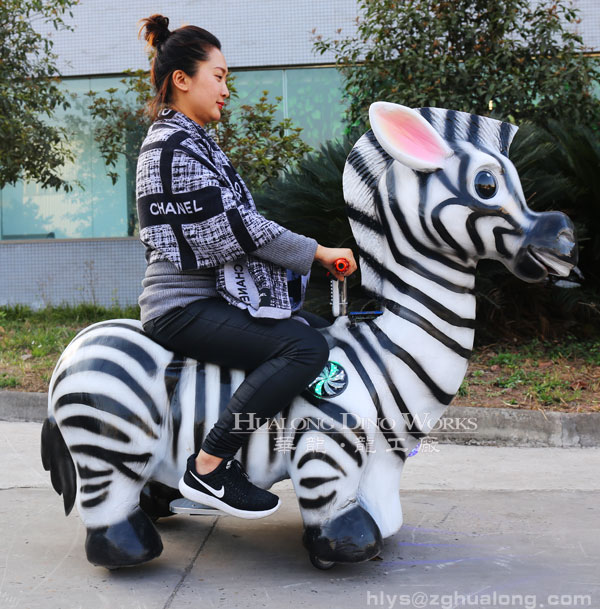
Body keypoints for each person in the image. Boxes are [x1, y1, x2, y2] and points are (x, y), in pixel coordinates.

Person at [136, 15, 357, 519]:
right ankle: (209, 466)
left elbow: (240, 224)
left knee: (315, 329)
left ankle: (311, 454)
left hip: (208, 300)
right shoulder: (171, 148)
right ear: (182, 79)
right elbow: (234, 231)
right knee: (302, 347)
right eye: (219, 76)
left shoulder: (191, 142)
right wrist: (318, 252)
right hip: (182, 307)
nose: (226, 90)